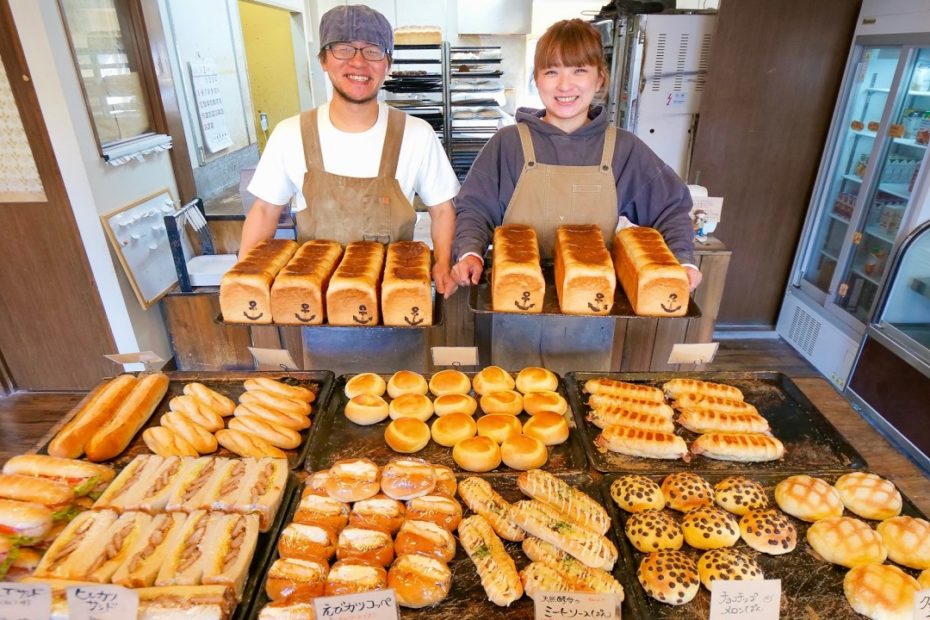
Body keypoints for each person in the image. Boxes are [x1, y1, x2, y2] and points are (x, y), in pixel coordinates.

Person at [450, 18, 702, 292]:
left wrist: (682, 259)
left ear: (599, 78)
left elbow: (670, 209)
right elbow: (475, 208)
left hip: (593, 296)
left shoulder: (623, 149)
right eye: (551, 72)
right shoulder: (508, 144)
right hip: (514, 294)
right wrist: (469, 251)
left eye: (579, 70)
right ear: (536, 79)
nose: (564, 85)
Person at [242, 5, 460, 295]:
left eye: (373, 50)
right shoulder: (290, 134)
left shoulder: (417, 134)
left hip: (394, 298)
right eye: (343, 49)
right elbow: (264, 211)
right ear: (323, 59)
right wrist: (244, 279)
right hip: (312, 302)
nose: (358, 62)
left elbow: (443, 210)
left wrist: (443, 262)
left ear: (388, 63)